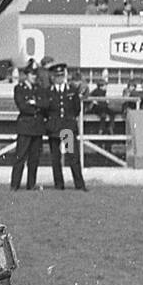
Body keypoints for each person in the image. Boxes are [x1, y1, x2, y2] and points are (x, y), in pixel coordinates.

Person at [43, 61, 87, 191]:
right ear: (53, 77)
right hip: (54, 128)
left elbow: (76, 109)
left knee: (73, 157)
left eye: (61, 76)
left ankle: (79, 185)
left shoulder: (71, 91)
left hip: (67, 128)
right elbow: (46, 109)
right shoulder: (48, 92)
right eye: (57, 76)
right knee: (55, 158)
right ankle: (59, 185)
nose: (59, 79)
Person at [10, 60, 45, 192]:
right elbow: (23, 106)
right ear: (27, 75)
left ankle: (31, 184)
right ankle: (15, 185)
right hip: (25, 127)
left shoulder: (39, 89)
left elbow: (45, 104)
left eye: (35, 74)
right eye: (31, 74)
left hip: (37, 128)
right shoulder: (19, 88)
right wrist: (37, 106)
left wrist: (34, 103)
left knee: (34, 159)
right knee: (20, 157)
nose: (34, 77)